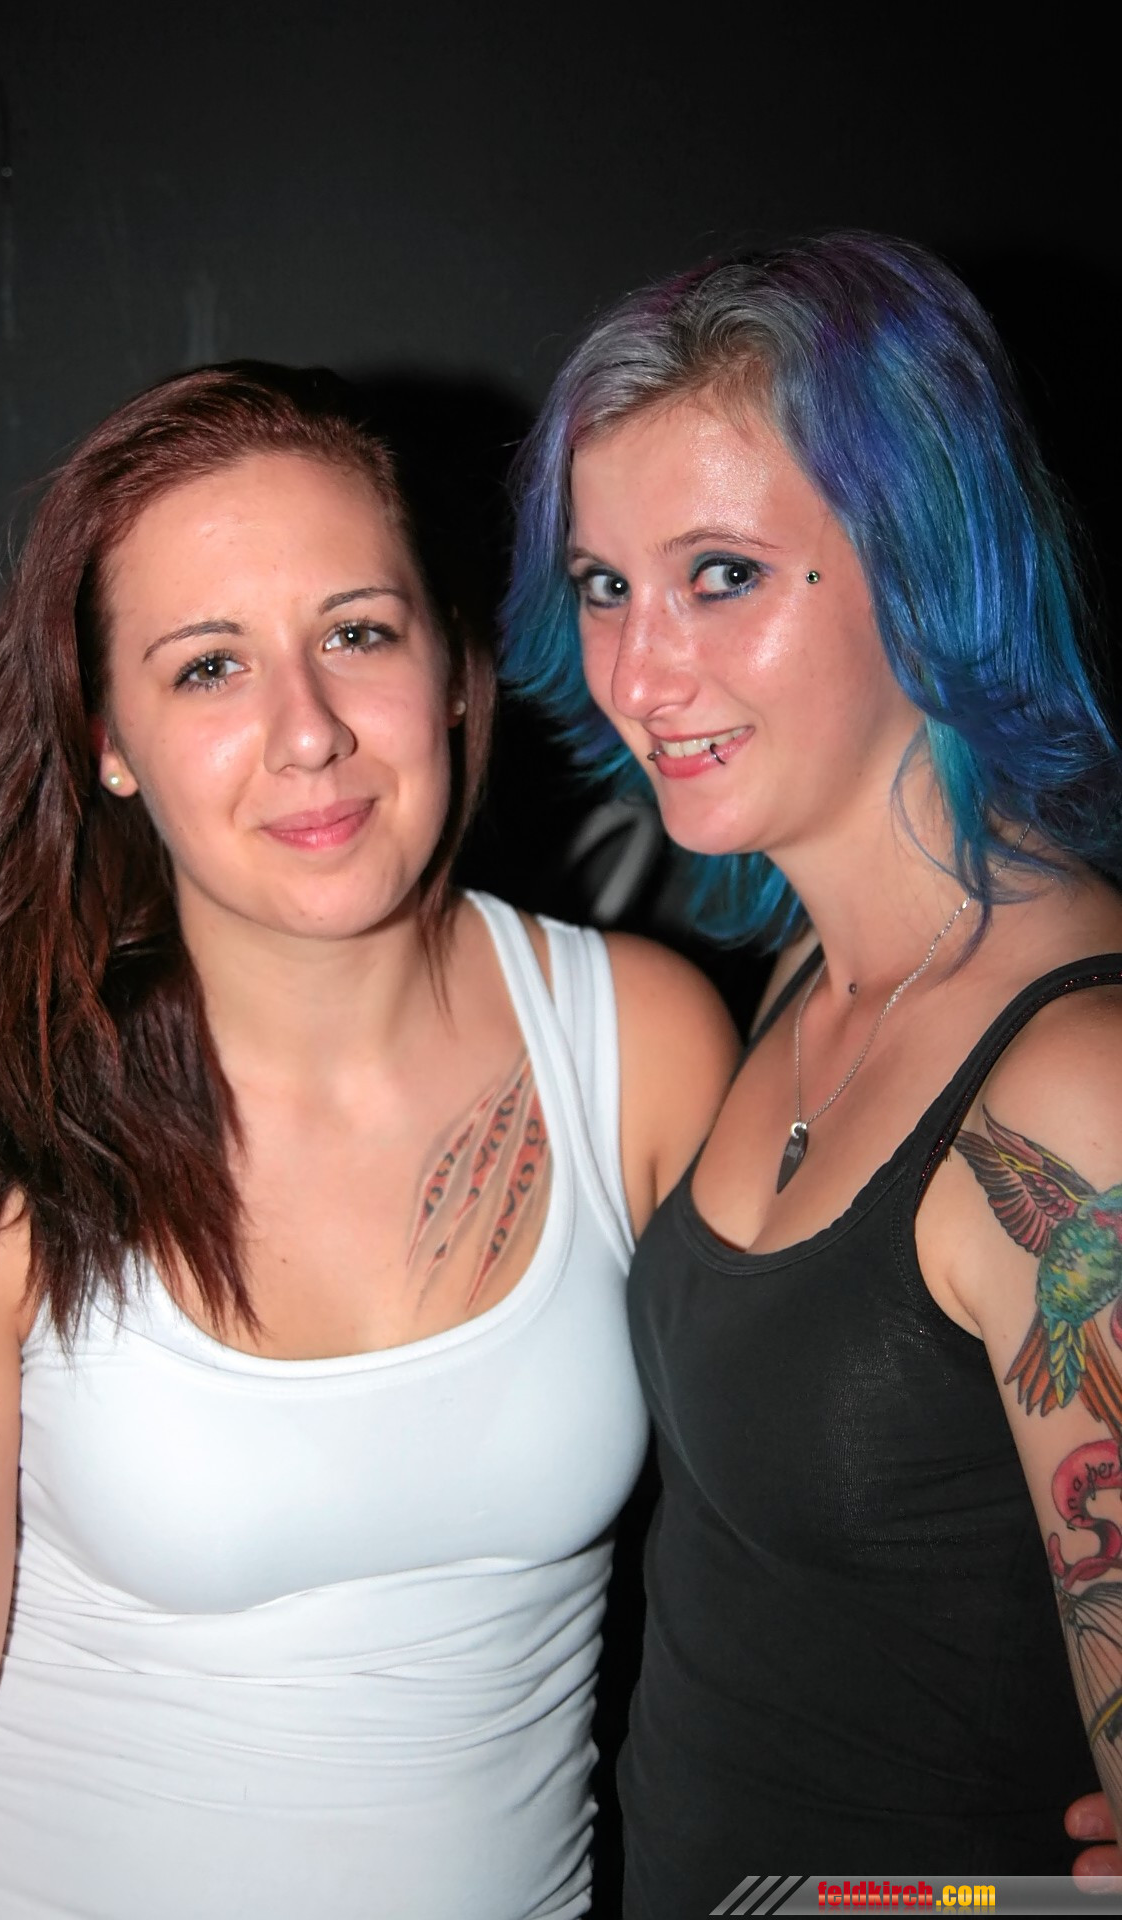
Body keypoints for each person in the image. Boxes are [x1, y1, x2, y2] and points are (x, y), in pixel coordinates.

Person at [0, 362, 738, 1920]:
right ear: (109, 740)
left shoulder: (645, 1050)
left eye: (356, 634)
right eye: (208, 668)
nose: (307, 732)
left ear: (452, 665)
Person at [502, 232, 1122, 1908]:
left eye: (722, 574)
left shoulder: (1076, 1087)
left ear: (926, 567)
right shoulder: (799, 980)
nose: (640, 672)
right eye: (605, 585)